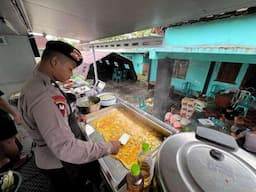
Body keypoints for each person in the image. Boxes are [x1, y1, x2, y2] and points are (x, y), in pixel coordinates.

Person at [18, 40, 121, 192]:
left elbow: (51, 118)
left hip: (47, 155)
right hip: (59, 164)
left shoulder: (37, 83)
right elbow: (66, 148)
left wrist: (70, 118)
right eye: (70, 68)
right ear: (54, 62)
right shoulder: (43, 96)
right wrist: (108, 147)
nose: (71, 74)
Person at [0, 90, 29, 171]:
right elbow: (0, 101)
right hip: (2, 121)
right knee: (9, 142)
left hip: (2, 120)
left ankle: (7, 164)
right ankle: (16, 163)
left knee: (7, 142)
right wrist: (15, 114)